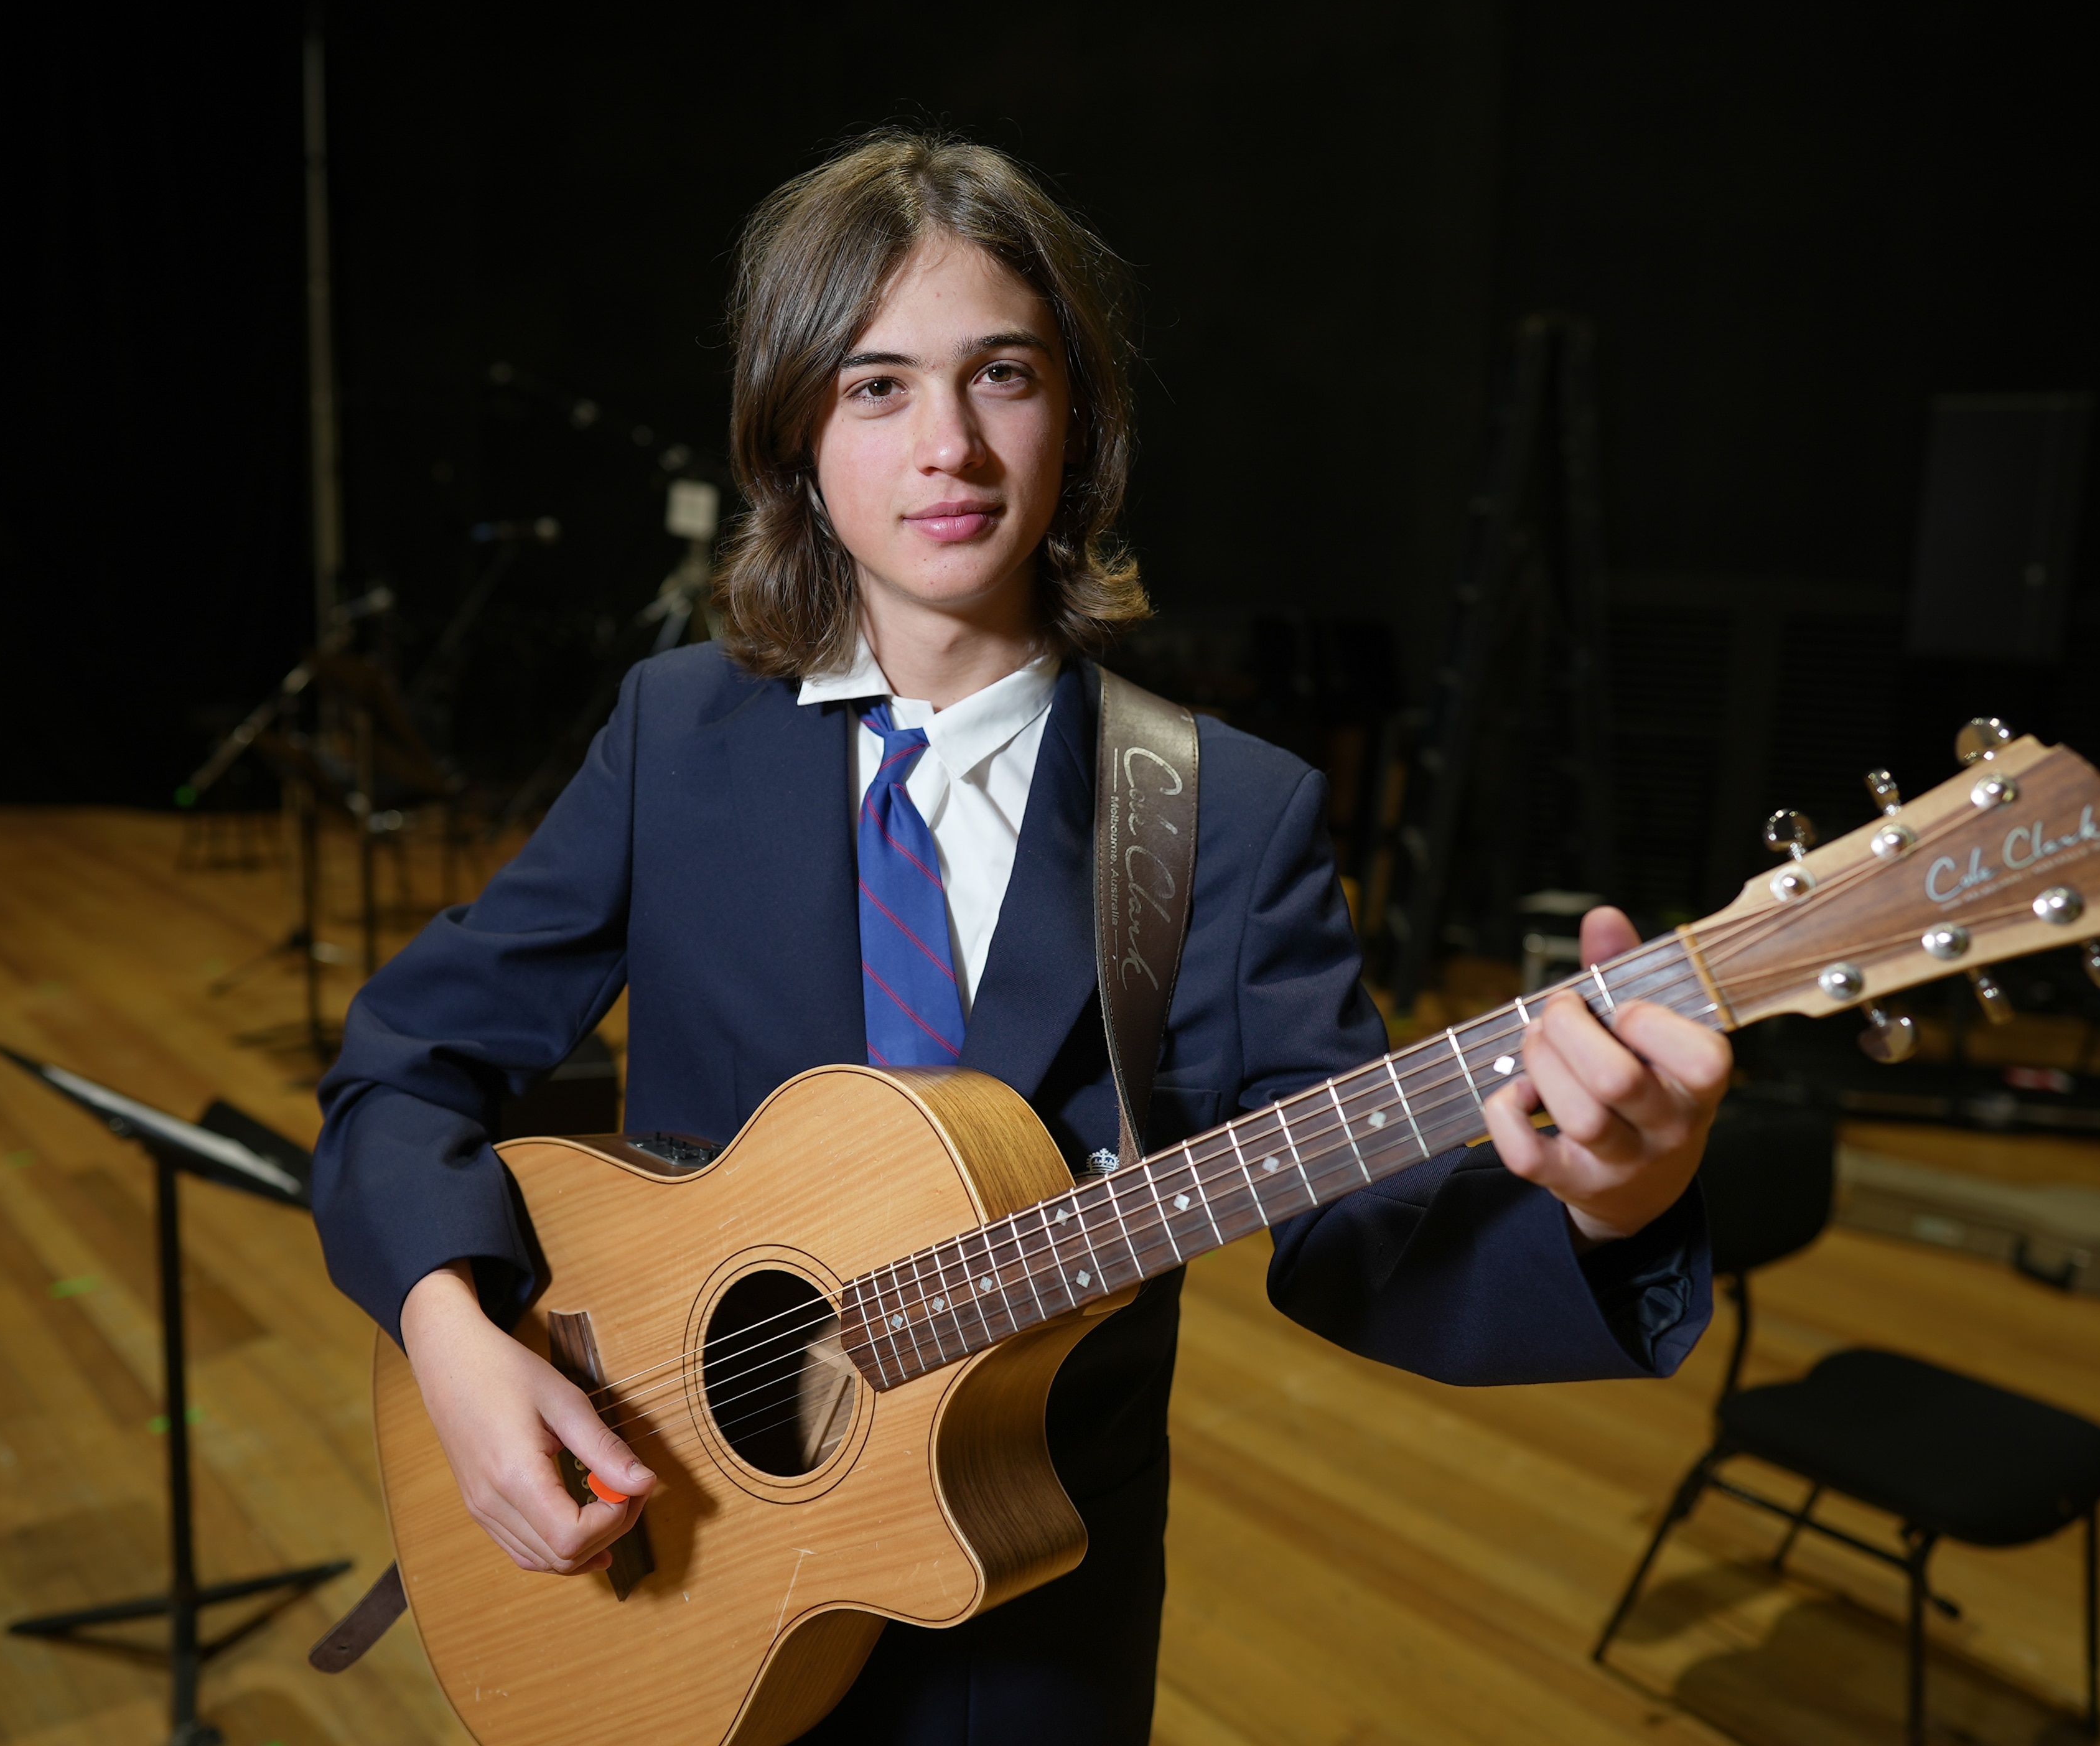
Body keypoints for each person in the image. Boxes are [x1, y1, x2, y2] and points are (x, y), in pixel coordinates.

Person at [310, 129, 1731, 1746]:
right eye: (876, 387)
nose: (950, 447)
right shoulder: (678, 739)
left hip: (1016, 1622)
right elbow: (408, 1065)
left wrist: (1623, 1201)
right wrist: (448, 1328)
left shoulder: (1222, 814)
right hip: (679, 1552)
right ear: (792, 431)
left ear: (1081, 418)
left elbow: (1363, 1244)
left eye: (1004, 375)